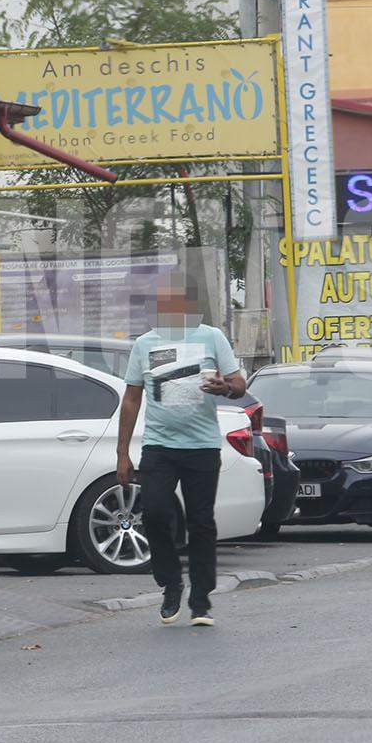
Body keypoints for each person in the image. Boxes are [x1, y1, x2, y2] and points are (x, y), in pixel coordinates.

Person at [115, 269, 246, 628]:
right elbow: (130, 400)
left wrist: (225, 388)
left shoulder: (211, 337)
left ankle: (200, 601)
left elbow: (238, 383)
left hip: (202, 446)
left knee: (201, 522)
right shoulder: (145, 344)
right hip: (159, 446)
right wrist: (122, 453)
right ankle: (170, 583)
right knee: (156, 514)